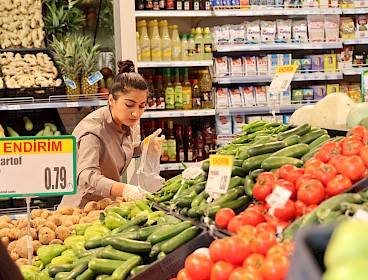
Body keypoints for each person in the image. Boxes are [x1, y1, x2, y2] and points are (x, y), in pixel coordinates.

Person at [59, 60, 164, 209]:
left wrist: (142, 147)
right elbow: (87, 176)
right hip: (81, 211)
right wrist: (124, 189)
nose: (136, 113)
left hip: (107, 206)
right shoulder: (93, 132)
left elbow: (113, 152)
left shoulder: (124, 121)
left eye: (142, 106)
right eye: (129, 105)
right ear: (111, 100)